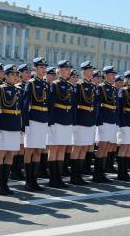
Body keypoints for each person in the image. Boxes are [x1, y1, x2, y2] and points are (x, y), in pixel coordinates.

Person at [0, 64, 22, 195]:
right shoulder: (0, 88)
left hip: (15, 125)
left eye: (17, 75)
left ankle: (5, 183)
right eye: (12, 75)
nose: (15, 77)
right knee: (1, 155)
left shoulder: (18, 90)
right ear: (6, 76)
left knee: (11, 155)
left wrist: (21, 127)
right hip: (4, 124)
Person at [22, 57, 50, 191]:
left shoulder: (46, 84)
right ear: (34, 68)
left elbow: (48, 104)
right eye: (41, 67)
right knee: (30, 150)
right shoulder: (31, 83)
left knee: (38, 150)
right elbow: (25, 105)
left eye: (45, 67)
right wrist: (25, 124)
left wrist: (48, 122)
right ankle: (28, 181)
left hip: (43, 120)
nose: (43, 69)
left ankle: (35, 180)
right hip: (33, 120)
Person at [46, 60, 73, 188]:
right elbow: (50, 105)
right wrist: (50, 123)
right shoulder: (54, 85)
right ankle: (53, 178)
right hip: (57, 120)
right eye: (66, 69)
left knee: (62, 148)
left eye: (69, 69)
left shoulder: (69, 86)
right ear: (60, 70)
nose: (69, 71)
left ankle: (59, 177)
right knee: (54, 148)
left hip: (66, 120)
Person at [70, 61, 97, 185]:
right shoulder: (78, 85)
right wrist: (74, 123)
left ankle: (79, 175)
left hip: (89, 120)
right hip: (80, 120)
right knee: (77, 148)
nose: (92, 73)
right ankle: (74, 176)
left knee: (85, 148)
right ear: (84, 71)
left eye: (92, 70)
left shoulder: (92, 86)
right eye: (90, 70)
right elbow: (74, 105)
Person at [93, 66, 118, 182]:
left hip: (111, 120)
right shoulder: (101, 87)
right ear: (105, 75)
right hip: (104, 121)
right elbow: (97, 106)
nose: (114, 77)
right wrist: (99, 123)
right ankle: (97, 174)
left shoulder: (112, 88)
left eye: (114, 74)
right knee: (102, 147)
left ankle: (101, 173)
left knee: (107, 147)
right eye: (112, 74)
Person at [10, 64, 31, 181]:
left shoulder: (28, 85)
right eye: (26, 72)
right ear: (20, 74)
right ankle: (14, 171)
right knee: (16, 147)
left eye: (29, 72)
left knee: (22, 146)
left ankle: (19, 169)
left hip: (25, 119)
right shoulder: (18, 87)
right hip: (19, 119)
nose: (28, 74)